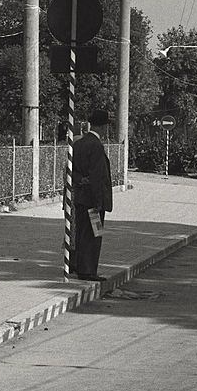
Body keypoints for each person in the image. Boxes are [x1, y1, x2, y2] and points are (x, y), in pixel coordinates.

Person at [70, 109, 113, 282]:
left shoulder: (79, 143)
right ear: (103, 127)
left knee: (81, 233)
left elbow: (71, 170)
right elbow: (97, 176)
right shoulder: (96, 145)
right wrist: (98, 201)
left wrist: (80, 180)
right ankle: (88, 271)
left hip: (80, 197)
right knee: (94, 234)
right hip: (93, 200)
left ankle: (78, 265)